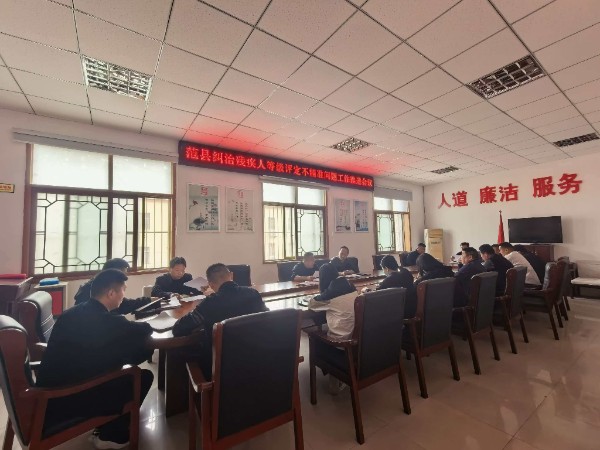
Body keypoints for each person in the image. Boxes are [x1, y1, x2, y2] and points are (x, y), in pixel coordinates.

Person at [37, 269, 154, 449]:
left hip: (48, 396)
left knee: (124, 361)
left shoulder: (71, 313)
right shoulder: (109, 321)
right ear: (111, 293)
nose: (124, 295)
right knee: (142, 376)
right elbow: (145, 329)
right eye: (123, 290)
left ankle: (107, 425)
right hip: (67, 398)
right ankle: (111, 435)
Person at [172, 263, 268, 378]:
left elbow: (178, 329)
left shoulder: (210, 303)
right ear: (231, 275)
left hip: (219, 368)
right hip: (254, 360)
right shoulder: (253, 294)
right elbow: (266, 317)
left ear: (210, 284)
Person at [74, 258, 159, 315]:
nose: (124, 280)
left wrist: (150, 300)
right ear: (113, 273)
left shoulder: (97, 283)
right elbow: (124, 306)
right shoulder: (93, 290)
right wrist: (150, 301)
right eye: (122, 275)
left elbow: (124, 304)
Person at [308, 263, 357, 339]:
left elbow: (311, 304)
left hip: (340, 338)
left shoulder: (330, 294)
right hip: (356, 335)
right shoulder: (350, 286)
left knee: (312, 334)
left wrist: (320, 289)